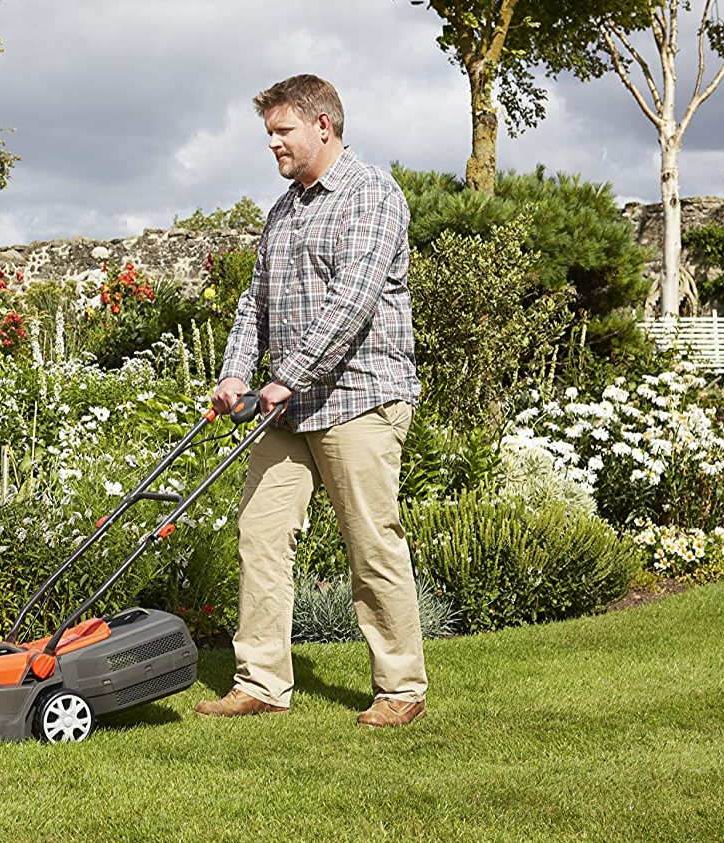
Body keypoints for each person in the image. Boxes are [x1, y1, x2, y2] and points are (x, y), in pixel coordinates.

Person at [192, 74, 427, 727]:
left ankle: (401, 686)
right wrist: (237, 373)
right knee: (260, 534)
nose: (273, 144)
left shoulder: (372, 195)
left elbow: (350, 304)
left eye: (282, 130)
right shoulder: (284, 210)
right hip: (288, 404)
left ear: (322, 125)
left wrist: (286, 375)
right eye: (268, 133)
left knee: (370, 540)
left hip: (359, 394)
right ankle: (261, 680)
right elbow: (254, 304)